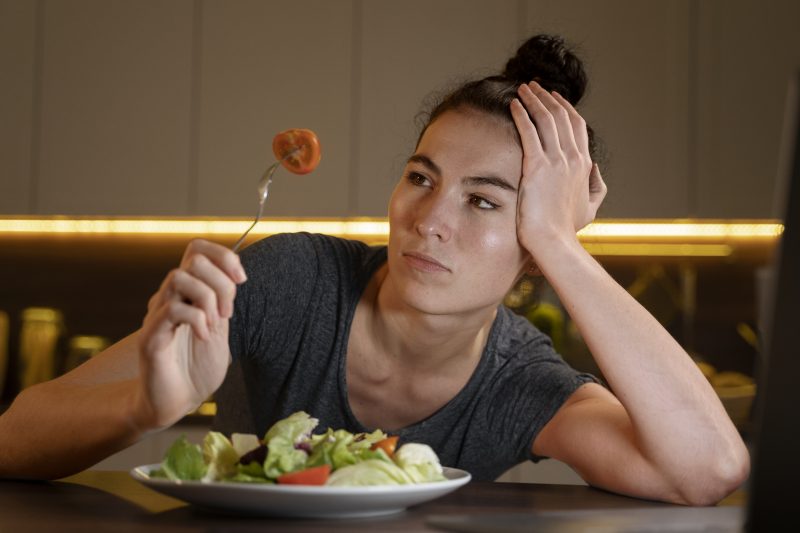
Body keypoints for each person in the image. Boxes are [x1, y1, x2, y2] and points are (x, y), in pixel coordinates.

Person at [0, 34, 749, 505]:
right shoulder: (294, 280)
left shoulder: (520, 384)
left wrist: (562, 245)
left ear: (532, 246)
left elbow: (710, 468)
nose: (428, 218)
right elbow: (14, 435)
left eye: (485, 202)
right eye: (421, 178)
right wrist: (144, 406)